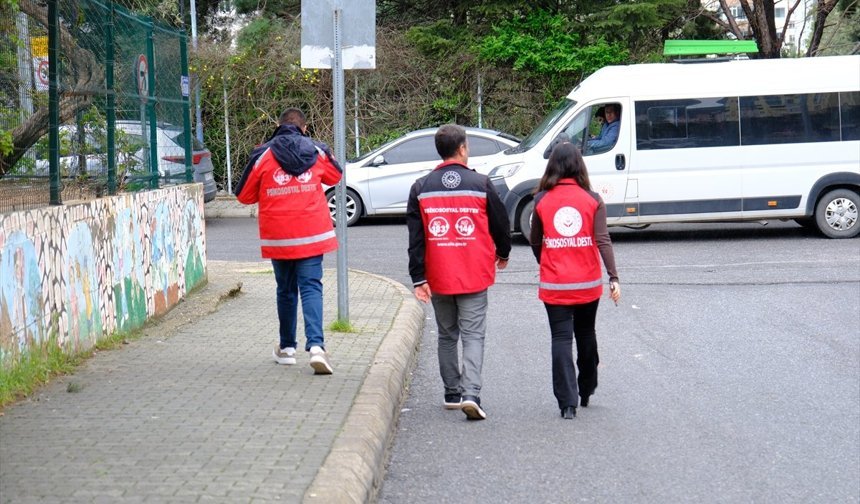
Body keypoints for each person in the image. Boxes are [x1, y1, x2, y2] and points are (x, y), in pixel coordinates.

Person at [406, 124, 512, 421]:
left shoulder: (421, 187)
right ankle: (471, 394)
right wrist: (503, 252)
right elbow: (500, 222)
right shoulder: (481, 183)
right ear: (463, 148)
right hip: (474, 272)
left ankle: (452, 393)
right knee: (474, 334)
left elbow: (415, 238)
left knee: (447, 335)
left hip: (438, 274)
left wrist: (418, 278)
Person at [235, 107, 343, 374]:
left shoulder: (263, 154)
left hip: (279, 236)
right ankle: (317, 348)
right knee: (311, 288)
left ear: (278, 126)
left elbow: (244, 195)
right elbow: (336, 176)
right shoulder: (317, 151)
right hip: (312, 233)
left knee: (285, 290)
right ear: (304, 128)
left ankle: (287, 349)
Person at [529, 142, 620, 419]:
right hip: (587, 284)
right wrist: (613, 277)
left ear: (552, 165)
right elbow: (602, 240)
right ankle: (587, 386)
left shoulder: (541, 200)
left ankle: (567, 403)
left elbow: (535, 241)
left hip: (555, 284)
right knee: (586, 333)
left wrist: (546, 261)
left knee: (560, 338)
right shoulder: (592, 199)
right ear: (580, 165)